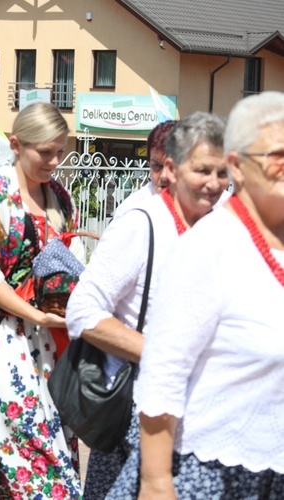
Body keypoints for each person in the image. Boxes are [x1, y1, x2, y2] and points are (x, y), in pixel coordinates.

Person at [106, 92, 284, 499]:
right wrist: (155, 482)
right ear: (238, 165)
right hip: (206, 472)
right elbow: (164, 372)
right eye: (277, 155)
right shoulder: (208, 247)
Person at [65, 112, 228, 499]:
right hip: (135, 405)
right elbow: (83, 310)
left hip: (196, 408)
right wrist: (160, 352)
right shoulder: (141, 222)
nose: (214, 183)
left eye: (222, 172)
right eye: (202, 170)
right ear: (170, 170)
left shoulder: (218, 227)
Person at [0, 102, 82, 498]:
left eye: (60, 151)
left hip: (52, 344)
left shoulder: (60, 196)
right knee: (26, 439)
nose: (55, 161)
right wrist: (36, 315)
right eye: (46, 151)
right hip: (2, 336)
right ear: (15, 145)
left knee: (48, 431)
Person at [112, 120, 176, 218]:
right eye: (157, 166)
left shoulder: (202, 211)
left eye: (171, 167)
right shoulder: (130, 212)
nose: (164, 176)